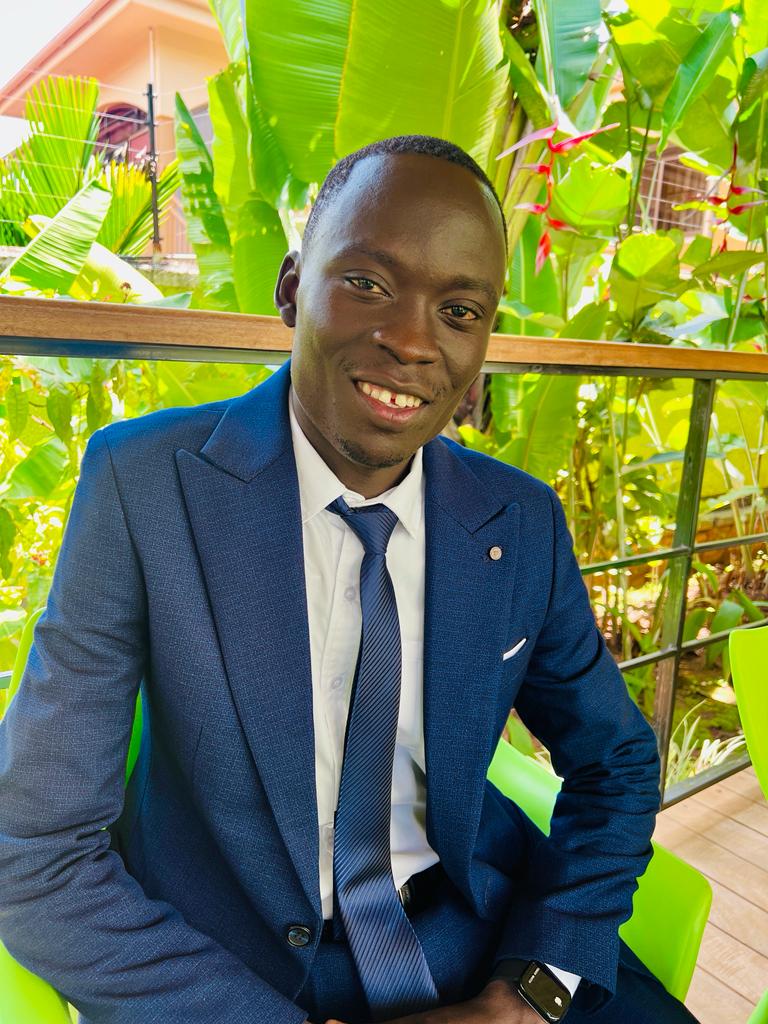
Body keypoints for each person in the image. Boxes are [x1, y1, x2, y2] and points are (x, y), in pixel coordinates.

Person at [0, 135, 699, 1024]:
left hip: (483, 942)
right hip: (233, 975)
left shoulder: (517, 521)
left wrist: (531, 991)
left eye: (459, 310)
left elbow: (619, 761)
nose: (411, 341)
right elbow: (38, 850)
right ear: (292, 287)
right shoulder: (145, 486)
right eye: (366, 283)